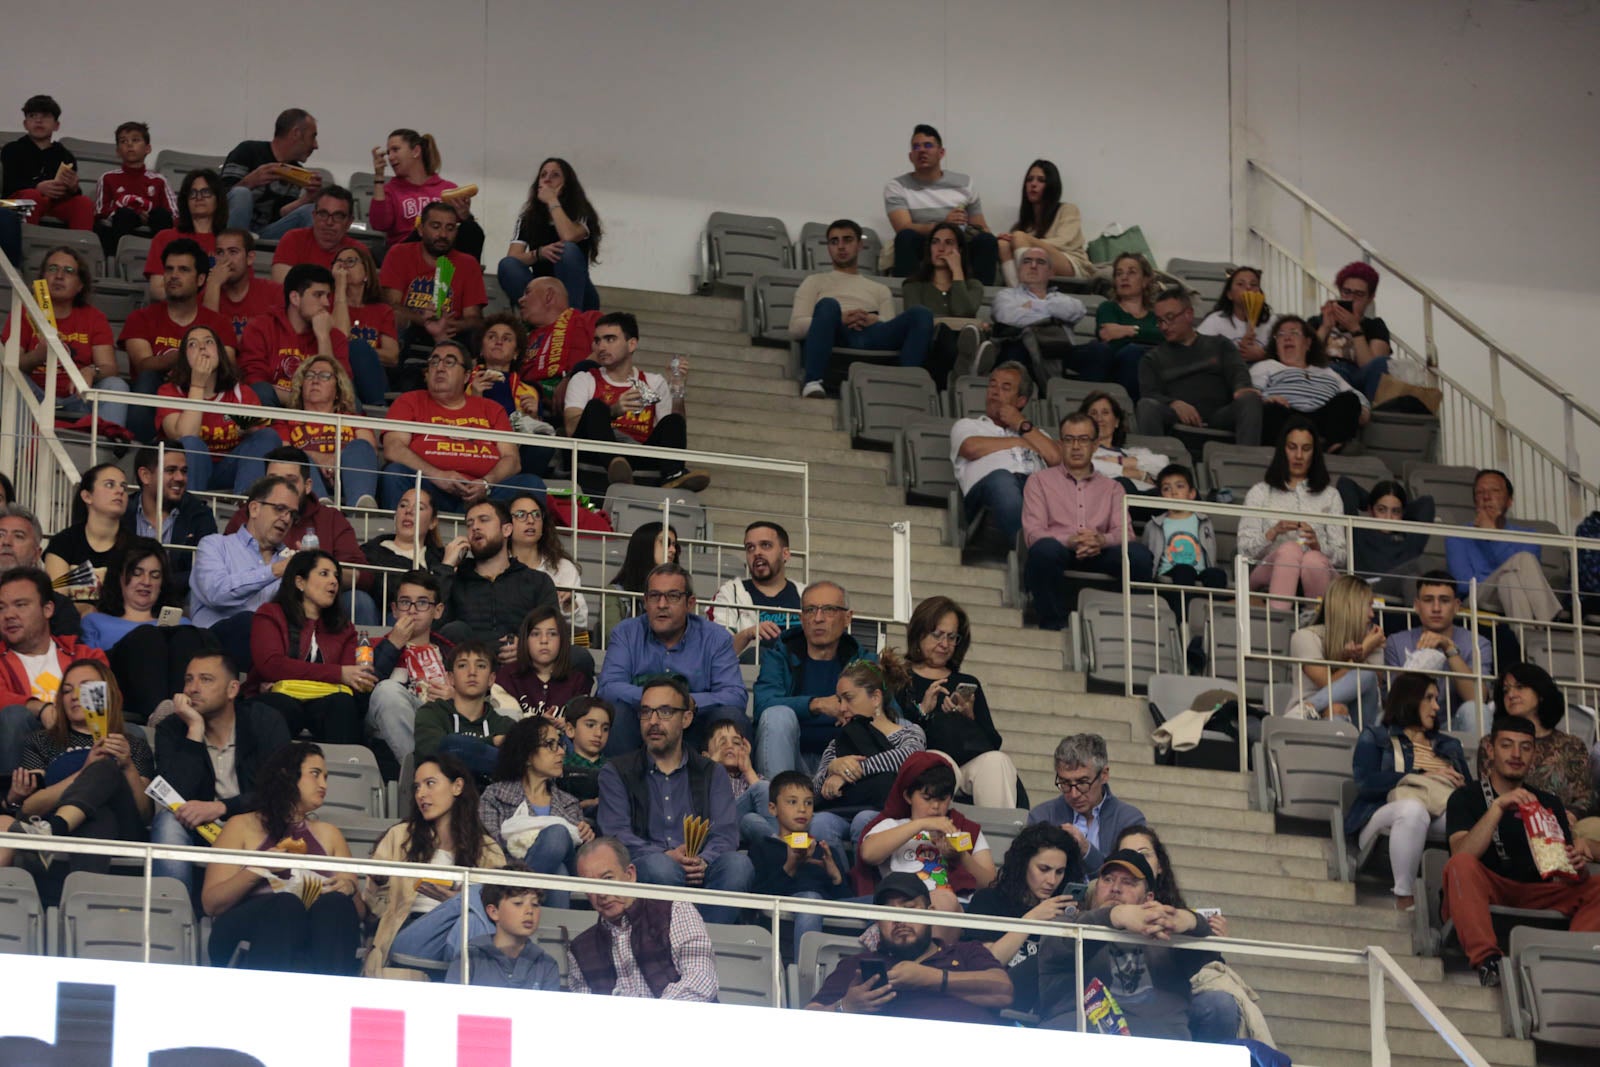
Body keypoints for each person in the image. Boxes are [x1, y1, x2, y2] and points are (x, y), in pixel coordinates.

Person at [1444, 716, 1600, 986]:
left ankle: (1572, 960)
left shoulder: (1548, 801)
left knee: (1596, 884)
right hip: (1487, 887)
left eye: (1525, 747)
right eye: (1507, 745)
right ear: (1491, 750)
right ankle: (1488, 961)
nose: (1516, 754)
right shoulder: (1465, 796)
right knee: (1460, 866)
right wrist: (1497, 807)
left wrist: (1576, 866)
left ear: (1534, 754)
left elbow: (1560, 872)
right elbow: (1461, 852)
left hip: (1536, 891)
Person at [595, 674, 755, 923]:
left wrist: (703, 861)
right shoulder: (616, 771)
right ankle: (673, 942)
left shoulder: (711, 772)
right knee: (661, 867)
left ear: (687, 718)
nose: (653, 721)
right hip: (648, 869)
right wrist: (665, 855)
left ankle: (706, 945)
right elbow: (617, 835)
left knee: (738, 865)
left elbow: (725, 833)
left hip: (702, 870)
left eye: (665, 712)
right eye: (646, 712)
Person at [201, 741, 363, 973]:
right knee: (287, 904)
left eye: (326, 777)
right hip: (248, 924)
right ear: (287, 775)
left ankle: (329, 998)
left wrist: (349, 888)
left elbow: (358, 914)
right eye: (315, 774)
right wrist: (258, 870)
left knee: (336, 903)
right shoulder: (241, 825)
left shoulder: (330, 834)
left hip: (315, 927)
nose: (323, 784)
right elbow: (212, 903)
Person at [1036, 848, 1230, 1041]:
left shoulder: (1167, 936)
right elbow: (1055, 947)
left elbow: (1209, 959)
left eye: (1128, 882)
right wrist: (1115, 915)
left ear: (1148, 898)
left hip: (1161, 1049)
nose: (1115, 888)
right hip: (1079, 1044)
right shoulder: (1069, 924)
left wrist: (1190, 921)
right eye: (1108, 879)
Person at [150, 649, 290, 894]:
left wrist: (223, 807)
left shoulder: (265, 722)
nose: (193, 688)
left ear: (232, 689)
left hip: (255, 826)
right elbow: (172, 797)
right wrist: (194, 729)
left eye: (205, 679)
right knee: (168, 820)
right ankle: (170, 910)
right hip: (198, 830)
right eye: (188, 679)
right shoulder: (172, 729)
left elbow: (282, 791)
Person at [2, 660, 154, 874]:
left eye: (85, 687)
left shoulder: (133, 743)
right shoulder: (41, 741)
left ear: (106, 693)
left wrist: (127, 765)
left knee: (107, 766)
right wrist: (86, 770)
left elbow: (145, 814)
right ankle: (84, 894)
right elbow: (30, 808)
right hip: (74, 835)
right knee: (98, 816)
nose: (74, 696)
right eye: (66, 690)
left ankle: (54, 829)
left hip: (124, 833)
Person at [364, 753, 506, 975]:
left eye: (430, 784)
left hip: (461, 933)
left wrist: (455, 903)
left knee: (470, 918)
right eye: (417, 787)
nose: (421, 794)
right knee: (475, 901)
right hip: (410, 931)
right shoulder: (400, 837)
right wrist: (380, 885)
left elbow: (502, 910)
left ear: (457, 786)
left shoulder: (487, 849)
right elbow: (374, 904)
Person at [806, 870, 1012, 1021]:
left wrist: (929, 978)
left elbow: (1003, 991)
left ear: (930, 913)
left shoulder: (965, 951)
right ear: (877, 922)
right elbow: (807, 1020)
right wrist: (846, 1006)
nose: (900, 920)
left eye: (909, 909)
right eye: (888, 913)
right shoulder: (858, 965)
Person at [1021, 412, 1155, 631]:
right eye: (1069, 439)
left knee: (1138, 556)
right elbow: (1033, 533)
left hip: (1099, 551)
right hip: (1059, 550)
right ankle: (1053, 624)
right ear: (1060, 444)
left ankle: (1130, 626)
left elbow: (1125, 533)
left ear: (1094, 446)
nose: (1075, 446)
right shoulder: (1039, 481)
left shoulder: (1113, 488)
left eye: (1083, 440)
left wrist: (1100, 540)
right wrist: (1070, 540)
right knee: (1043, 550)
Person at [1347, 673, 1471, 909]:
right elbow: (1366, 783)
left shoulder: (1449, 745)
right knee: (1414, 810)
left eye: (1438, 699)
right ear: (1410, 699)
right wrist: (1420, 775)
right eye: (1430, 698)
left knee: (1466, 820)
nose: (1437, 706)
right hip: (1385, 814)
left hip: (1439, 808)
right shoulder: (1377, 736)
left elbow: (1468, 791)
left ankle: (1463, 897)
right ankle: (1404, 896)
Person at [596, 563, 747, 755]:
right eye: (654, 596)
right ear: (645, 601)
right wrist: (658, 702)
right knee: (617, 712)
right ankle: (617, 783)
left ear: (690, 604)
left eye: (673, 596)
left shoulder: (715, 638)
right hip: (640, 723)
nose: (661, 604)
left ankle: (724, 785)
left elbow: (735, 695)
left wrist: (685, 703)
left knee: (731, 716)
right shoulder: (626, 633)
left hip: (694, 726)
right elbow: (608, 687)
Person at [380, 339, 546, 511]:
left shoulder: (491, 409)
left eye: (450, 362)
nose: (440, 367)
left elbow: (512, 459)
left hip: (485, 496)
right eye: (434, 362)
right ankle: (399, 537)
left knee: (532, 484)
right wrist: (438, 476)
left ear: (467, 376)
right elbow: (393, 448)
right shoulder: (409, 401)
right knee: (395, 473)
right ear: (427, 373)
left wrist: (486, 483)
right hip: (429, 489)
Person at [220, 447, 378, 624]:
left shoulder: (330, 518)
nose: (282, 489)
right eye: (273, 481)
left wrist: (320, 568)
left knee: (360, 601)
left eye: (291, 481)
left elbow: (364, 576)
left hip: (320, 607)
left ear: (308, 486)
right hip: (259, 601)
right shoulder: (249, 514)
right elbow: (225, 566)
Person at [893, 596, 1018, 809]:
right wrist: (923, 711)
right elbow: (893, 739)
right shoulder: (899, 679)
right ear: (919, 633)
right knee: (938, 761)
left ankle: (1000, 839)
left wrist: (970, 718)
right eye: (937, 635)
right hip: (927, 768)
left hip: (967, 767)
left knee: (998, 761)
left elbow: (992, 744)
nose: (945, 644)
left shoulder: (967, 683)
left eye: (952, 637)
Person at [563, 312, 709, 492]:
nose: (601, 346)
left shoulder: (654, 382)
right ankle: (614, 466)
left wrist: (677, 390)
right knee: (596, 407)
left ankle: (673, 475)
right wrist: (613, 411)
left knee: (674, 421)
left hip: (638, 455)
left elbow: (673, 431)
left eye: (610, 339)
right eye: (598, 340)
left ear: (631, 344)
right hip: (596, 456)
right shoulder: (584, 379)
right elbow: (571, 429)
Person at [790, 219, 934, 399]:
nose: (841, 247)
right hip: (835, 332)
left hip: (872, 333)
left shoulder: (880, 289)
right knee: (828, 304)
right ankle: (813, 382)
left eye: (847, 240)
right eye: (834, 242)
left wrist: (875, 319)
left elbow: (889, 325)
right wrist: (839, 319)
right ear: (828, 247)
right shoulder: (814, 281)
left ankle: (904, 384)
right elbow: (795, 328)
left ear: (860, 245)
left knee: (921, 314)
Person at [566, 836, 719, 1000]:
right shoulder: (580, 949)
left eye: (608, 879)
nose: (602, 893)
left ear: (630, 875)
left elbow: (701, 979)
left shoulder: (675, 911)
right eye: (591, 886)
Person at [80, 540, 216, 722]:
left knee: (188, 634)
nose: (146, 582)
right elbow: (88, 671)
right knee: (147, 636)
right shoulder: (95, 621)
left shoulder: (183, 624)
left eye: (155, 575)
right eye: (137, 574)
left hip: (179, 695)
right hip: (122, 691)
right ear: (120, 577)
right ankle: (160, 715)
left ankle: (178, 713)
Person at [247, 549, 372, 744]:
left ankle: (346, 770)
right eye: (324, 574)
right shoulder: (270, 614)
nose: (334, 581)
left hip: (325, 702)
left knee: (342, 704)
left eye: (336, 576)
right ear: (300, 582)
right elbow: (271, 665)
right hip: (279, 699)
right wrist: (338, 673)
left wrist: (345, 676)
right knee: (281, 705)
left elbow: (351, 678)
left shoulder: (345, 628)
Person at [123, 237, 239, 441]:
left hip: (205, 396)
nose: (173, 276)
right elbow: (143, 366)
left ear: (201, 279)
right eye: (169, 269)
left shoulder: (218, 324)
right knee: (148, 378)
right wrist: (188, 355)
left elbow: (226, 366)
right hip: (157, 397)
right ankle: (141, 450)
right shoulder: (140, 318)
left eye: (183, 270)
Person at [963, 823, 1085, 1016]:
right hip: (994, 1008)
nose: (1052, 880)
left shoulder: (1064, 911)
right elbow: (985, 963)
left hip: (1050, 1013)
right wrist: (1033, 917)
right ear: (1023, 864)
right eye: (1043, 869)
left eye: (1059, 872)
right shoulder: (989, 900)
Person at [752, 581, 868, 778]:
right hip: (791, 759)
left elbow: (887, 711)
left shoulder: (862, 661)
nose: (818, 618)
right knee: (776, 716)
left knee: (904, 725)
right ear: (801, 618)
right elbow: (763, 705)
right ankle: (778, 804)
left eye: (829, 610)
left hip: (844, 763)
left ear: (848, 617)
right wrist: (817, 705)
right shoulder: (780, 654)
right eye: (810, 610)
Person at [2, 247, 126, 430]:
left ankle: (104, 451)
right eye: (52, 269)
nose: (59, 276)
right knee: (5, 377)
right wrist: (38, 355)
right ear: (42, 277)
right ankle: (21, 451)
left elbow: (109, 367)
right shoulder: (24, 311)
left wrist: (92, 371)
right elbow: (10, 364)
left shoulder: (94, 317)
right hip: (33, 396)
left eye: (69, 271)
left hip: (78, 397)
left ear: (80, 286)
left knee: (116, 385)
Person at [855, 754, 996, 915]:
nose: (935, 806)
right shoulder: (891, 825)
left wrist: (961, 857)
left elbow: (990, 884)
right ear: (908, 796)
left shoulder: (963, 829)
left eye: (942, 799)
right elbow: (868, 854)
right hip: (903, 908)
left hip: (956, 908)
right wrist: (921, 824)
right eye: (927, 798)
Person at [0, 568, 108, 775]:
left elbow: (108, 700)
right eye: (1, 608)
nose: (8, 615)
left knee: (133, 732)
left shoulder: (85, 656)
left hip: (80, 741)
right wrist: (40, 709)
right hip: (25, 747)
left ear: (48, 609)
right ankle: (10, 803)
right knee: (14, 716)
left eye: (21, 605)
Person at [1474, 663, 1598, 836]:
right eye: (1506, 690)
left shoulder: (1571, 745)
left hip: (1566, 826)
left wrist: (1569, 816)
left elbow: (1585, 796)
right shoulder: (1492, 744)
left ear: (1540, 694)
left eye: (1520, 687)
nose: (1511, 695)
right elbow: (1490, 792)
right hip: (1512, 824)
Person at [480, 717, 591, 908]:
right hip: (507, 875)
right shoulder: (495, 796)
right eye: (550, 745)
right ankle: (555, 934)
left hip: (512, 892)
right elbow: (493, 853)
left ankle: (515, 898)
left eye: (560, 744)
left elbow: (580, 863)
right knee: (558, 871)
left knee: (558, 837)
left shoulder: (569, 804)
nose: (562, 752)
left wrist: (587, 836)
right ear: (527, 755)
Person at [188, 475, 299, 666]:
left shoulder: (291, 562)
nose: (287, 519)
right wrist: (275, 571)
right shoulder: (214, 545)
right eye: (280, 509)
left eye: (292, 514)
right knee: (251, 622)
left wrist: (310, 575)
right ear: (254, 508)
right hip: (211, 651)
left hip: (268, 653)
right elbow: (217, 593)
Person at [154, 323, 277, 494]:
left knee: (268, 435)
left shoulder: (241, 393)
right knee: (191, 443)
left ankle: (245, 506)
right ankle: (192, 510)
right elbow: (183, 436)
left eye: (209, 342)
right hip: (189, 469)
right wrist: (197, 385)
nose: (202, 347)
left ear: (219, 352)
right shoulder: (169, 391)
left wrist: (249, 429)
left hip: (230, 468)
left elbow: (262, 438)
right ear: (184, 358)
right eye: (193, 344)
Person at [1237, 418, 1346, 610]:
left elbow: (1341, 556)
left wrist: (1318, 546)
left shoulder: (1331, 496)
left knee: (1313, 559)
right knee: (1289, 550)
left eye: (1306, 449)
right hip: (1267, 573)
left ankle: (1316, 626)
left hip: (1317, 572)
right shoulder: (1260, 492)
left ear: (1315, 453)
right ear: (1282, 450)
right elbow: (1245, 551)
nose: (1298, 455)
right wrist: (1273, 532)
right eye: (1292, 447)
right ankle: (1277, 622)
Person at [239, 262, 379, 408]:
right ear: (295, 298)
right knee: (260, 391)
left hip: (319, 415)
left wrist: (323, 338)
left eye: (327, 296)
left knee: (354, 404)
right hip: (275, 409)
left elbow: (339, 389)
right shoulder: (260, 328)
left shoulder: (333, 336)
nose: (326, 303)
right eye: (318, 295)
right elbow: (254, 383)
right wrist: (303, 400)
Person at [814, 656, 928, 834]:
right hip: (843, 809)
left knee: (864, 820)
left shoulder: (909, 732)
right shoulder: (838, 742)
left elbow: (909, 759)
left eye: (848, 698)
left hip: (887, 813)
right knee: (819, 823)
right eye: (839, 700)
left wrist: (847, 773)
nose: (842, 708)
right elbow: (815, 790)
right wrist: (831, 768)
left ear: (875, 698)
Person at [1135, 288, 1264, 444]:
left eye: (1169, 318)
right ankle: (1154, 463)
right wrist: (1173, 403)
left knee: (1250, 399)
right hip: (1177, 418)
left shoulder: (1220, 344)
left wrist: (1241, 388)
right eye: (1160, 320)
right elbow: (1149, 394)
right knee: (1147, 407)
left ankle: (1247, 464)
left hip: (1219, 417)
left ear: (1189, 314)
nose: (1164, 327)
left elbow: (1238, 372)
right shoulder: (1152, 358)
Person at [951, 362, 1059, 545]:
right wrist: (1019, 442)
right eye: (992, 385)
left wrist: (1022, 425)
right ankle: (1031, 547)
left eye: (1005, 388)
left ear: (1021, 401)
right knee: (1002, 478)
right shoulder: (969, 425)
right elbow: (970, 448)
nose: (994, 391)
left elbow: (1056, 458)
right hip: (987, 493)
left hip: (1035, 492)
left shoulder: (1036, 434)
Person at [750, 770, 849, 956]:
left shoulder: (825, 850)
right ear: (773, 808)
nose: (802, 809)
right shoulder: (764, 846)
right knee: (810, 899)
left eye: (808, 803)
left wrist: (836, 876)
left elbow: (843, 900)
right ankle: (805, 978)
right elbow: (759, 898)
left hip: (828, 911)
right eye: (792, 802)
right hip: (792, 912)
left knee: (881, 905)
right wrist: (790, 866)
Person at [1446, 469, 1563, 623]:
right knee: (1521, 561)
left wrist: (1493, 534)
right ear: (1475, 501)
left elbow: (1530, 578)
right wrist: (1491, 535)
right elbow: (1463, 586)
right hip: (1476, 598)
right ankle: (1549, 623)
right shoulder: (1457, 536)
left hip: (1514, 594)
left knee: (1509, 581)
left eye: (1494, 491)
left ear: (1509, 501)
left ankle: (1527, 639)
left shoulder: (1528, 535)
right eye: (1480, 493)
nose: (1487, 497)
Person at [885, 125, 998, 284]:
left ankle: (980, 296)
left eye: (928, 145)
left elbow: (980, 226)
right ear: (911, 156)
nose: (922, 150)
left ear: (941, 153)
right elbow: (902, 226)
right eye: (916, 147)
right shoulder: (897, 186)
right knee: (906, 237)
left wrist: (997, 238)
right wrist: (943, 225)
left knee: (987, 241)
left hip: (960, 244)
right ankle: (907, 294)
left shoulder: (964, 183)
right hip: (923, 243)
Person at [440, 499, 559, 649]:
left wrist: (525, 649)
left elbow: (552, 632)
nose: (475, 527)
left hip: (519, 665)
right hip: (466, 663)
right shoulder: (455, 579)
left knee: (579, 657)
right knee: (455, 629)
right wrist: (446, 567)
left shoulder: (537, 581)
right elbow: (433, 623)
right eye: (469, 524)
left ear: (507, 530)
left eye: (484, 520)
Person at [1385, 572, 1494, 731]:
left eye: (1444, 601)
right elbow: (1394, 701)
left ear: (1457, 606)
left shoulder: (1478, 643)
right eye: (1428, 600)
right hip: (1410, 727)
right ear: (1416, 605)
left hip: (1453, 728)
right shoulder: (1396, 642)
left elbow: (1477, 698)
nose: (1436, 608)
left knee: (1475, 710)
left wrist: (1449, 649)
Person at [364, 569, 451, 764]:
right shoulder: (374, 646)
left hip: (439, 723)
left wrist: (455, 699)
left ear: (437, 611)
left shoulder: (451, 652)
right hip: (389, 720)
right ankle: (423, 771)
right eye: (405, 602)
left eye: (422, 603)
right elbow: (363, 692)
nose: (412, 610)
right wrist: (393, 645)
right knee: (387, 691)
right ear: (394, 610)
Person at [272, 354, 382, 508]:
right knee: (295, 456)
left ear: (338, 389)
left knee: (360, 446)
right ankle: (321, 505)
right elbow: (284, 453)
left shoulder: (353, 418)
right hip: (308, 477)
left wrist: (335, 460)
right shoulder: (286, 419)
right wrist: (319, 459)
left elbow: (369, 448)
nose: (315, 380)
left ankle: (361, 506)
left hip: (348, 474)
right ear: (301, 386)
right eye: (309, 375)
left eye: (324, 376)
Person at [379, 201, 487, 355]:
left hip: (451, 333)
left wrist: (451, 324)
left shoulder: (468, 264)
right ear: (421, 229)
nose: (443, 234)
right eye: (436, 227)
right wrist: (424, 319)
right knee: (394, 321)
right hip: (409, 328)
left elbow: (474, 318)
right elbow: (392, 305)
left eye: (450, 228)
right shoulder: (399, 254)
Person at [1027, 733, 1146, 871]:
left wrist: (1087, 851)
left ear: (1104, 775)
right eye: (1065, 783)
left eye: (1082, 783)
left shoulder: (1128, 820)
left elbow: (1128, 878)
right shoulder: (1042, 817)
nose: (1074, 794)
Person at [498, 156, 602, 312]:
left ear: (566, 185)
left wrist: (552, 200)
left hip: (578, 293)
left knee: (567, 249)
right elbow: (513, 258)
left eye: (555, 175)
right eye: (543, 175)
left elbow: (569, 236)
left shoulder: (581, 212)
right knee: (507, 265)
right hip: (543, 291)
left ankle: (569, 322)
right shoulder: (527, 217)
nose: (547, 180)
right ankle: (533, 319)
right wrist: (539, 254)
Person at [1251, 315, 1370, 449]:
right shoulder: (1266, 366)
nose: (1287, 337)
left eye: (1294, 333)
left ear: (1307, 343)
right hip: (1287, 417)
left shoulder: (1327, 372)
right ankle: (1292, 449)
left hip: (1322, 420)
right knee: (1272, 411)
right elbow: (1251, 395)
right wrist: (1267, 399)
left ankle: (1332, 447)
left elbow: (1355, 394)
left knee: (1349, 399)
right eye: (1280, 335)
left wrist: (1364, 408)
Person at [1283, 574, 1385, 724]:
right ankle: (1307, 710)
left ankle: (1307, 708)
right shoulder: (1305, 637)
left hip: (1360, 719)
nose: (1372, 614)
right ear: (1349, 606)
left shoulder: (1372, 640)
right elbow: (1327, 683)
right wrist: (1359, 656)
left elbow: (1373, 687)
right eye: (1368, 605)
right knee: (1336, 708)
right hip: (1310, 722)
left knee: (1367, 675)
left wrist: (1363, 651)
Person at [121, 445, 217, 603]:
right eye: (171, 470)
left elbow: (204, 571)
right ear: (145, 475)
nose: (180, 478)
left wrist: (158, 585)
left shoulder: (199, 515)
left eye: (184, 471)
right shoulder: (123, 512)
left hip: (177, 603)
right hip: (123, 601)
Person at [367, 129, 484, 255]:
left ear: (416, 151)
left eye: (395, 150)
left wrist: (465, 215)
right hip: (406, 252)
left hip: (443, 250)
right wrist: (379, 177)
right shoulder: (390, 190)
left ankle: (467, 272)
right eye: (388, 152)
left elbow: (464, 235)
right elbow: (379, 224)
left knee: (471, 229)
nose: (390, 157)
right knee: (422, 230)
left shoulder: (447, 189)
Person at [411, 641, 517, 778]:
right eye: (462, 665)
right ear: (450, 678)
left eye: (481, 666)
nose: (472, 672)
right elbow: (434, 754)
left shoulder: (505, 725)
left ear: (491, 679)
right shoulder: (431, 714)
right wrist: (493, 743)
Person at [901, 222, 988, 388]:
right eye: (935, 242)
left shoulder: (974, 286)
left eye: (948, 243)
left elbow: (962, 310)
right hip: (928, 350)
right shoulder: (912, 286)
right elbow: (918, 323)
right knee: (944, 334)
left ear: (959, 251)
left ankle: (965, 369)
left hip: (960, 342)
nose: (940, 248)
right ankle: (965, 369)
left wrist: (956, 271)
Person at [42, 462, 129, 615]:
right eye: (110, 485)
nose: (120, 491)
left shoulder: (136, 546)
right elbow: (57, 604)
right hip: (72, 629)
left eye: (124, 486)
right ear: (87, 496)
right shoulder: (63, 543)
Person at [219, 108, 321, 238]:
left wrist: (306, 199)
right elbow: (218, 199)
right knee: (241, 193)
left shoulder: (296, 172)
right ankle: (235, 249)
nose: (316, 145)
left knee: (309, 210)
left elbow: (281, 214)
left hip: (267, 232)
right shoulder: (247, 151)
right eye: (313, 137)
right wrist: (249, 182)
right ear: (296, 133)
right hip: (233, 231)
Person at [711, 520, 806, 659]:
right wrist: (748, 634)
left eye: (765, 545)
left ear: (785, 554)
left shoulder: (806, 594)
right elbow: (716, 651)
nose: (757, 553)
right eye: (750, 548)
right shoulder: (730, 593)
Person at [445, 879, 563, 989]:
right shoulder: (469, 958)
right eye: (518, 903)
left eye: (535, 904)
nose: (529, 911)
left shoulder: (547, 964)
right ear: (494, 912)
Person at [514, 277, 602, 423]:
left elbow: (610, 351)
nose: (520, 300)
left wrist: (573, 377)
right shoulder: (521, 336)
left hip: (580, 406)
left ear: (549, 296)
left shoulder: (587, 319)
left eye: (527, 293)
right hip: (530, 409)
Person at [991, 246, 1088, 379]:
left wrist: (1033, 306)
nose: (1033, 266)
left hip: (1060, 352)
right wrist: (1054, 317)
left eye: (1040, 262)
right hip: (1023, 351)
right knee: (1014, 349)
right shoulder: (1006, 295)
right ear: (1019, 270)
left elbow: (1078, 310)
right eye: (1027, 261)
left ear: (1050, 272)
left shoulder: (1061, 298)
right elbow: (1006, 317)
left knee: (1099, 351)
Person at [1, 95, 92, 229]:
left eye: (45, 116)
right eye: (32, 116)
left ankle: (79, 248)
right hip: (8, 204)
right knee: (33, 195)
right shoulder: (12, 149)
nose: (39, 121)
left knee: (84, 203)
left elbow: (69, 195)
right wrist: (37, 187)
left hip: (51, 204)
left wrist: (73, 188)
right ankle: (22, 245)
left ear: (56, 125)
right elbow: (9, 185)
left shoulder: (65, 156)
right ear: (25, 124)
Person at [505, 494, 588, 642]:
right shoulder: (497, 563)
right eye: (521, 515)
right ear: (506, 524)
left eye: (536, 515)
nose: (531, 521)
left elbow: (581, 625)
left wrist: (569, 605)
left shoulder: (564, 568)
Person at [1083, 252, 1165, 400]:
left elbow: (1165, 337)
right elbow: (1109, 337)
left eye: (1132, 272)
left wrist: (1128, 331)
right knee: (1131, 353)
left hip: (1153, 375)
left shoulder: (1157, 315)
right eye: (1119, 273)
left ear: (1145, 280)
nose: (1124, 277)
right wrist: (1148, 336)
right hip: (1115, 373)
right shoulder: (1108, 308)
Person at [1308, 261, 1393, 399]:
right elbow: (1304, 357)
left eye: (1359, 294)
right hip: (1322, 372)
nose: (1351, 298)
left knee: (1382, 362)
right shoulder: (1317, 321)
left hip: (1356, 377)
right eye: (1346, 292)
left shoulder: (1375, 326)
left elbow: (1373, 369)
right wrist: (1325, 327)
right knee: (1331, 370)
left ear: (1370, 298)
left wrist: (1355, 329)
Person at [998, 159, 1090, 283]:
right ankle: (1016, 291)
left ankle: (1026, 289)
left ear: (1052, 185)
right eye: (1030, 179)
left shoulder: (1068, 210)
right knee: (1003, 244)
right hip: (1041, 262)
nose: (1033, 184)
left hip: (1071, 264)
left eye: (1041, 180)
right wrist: (1013, 240)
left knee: (1019, 236)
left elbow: (1063, 241)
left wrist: (1026, 240)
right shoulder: (1023, 225)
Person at [495, 606, 592, 719]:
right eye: (536, 634)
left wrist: (568, 726)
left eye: (552, 634)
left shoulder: (577, 680)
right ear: (525, 640)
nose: (544, 640)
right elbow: (504, 724)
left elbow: (582, 724)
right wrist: (539, 723)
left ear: (562, 640)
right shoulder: (507, 676)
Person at [1144, 464, 1229, 593]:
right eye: (1167, 488)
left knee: (1217, 574)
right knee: (1184, 570)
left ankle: (1210, 611)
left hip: (1200, 573)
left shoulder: (1204, 521)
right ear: (1161, 496)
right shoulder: (1154, 524)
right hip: (1168, 576)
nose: (1174, 492)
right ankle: (1182, 613)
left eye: (1180, 486)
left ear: (1191, 493)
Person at [0, 507, 83, 638]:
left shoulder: (58, 606)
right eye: (0, 535)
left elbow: (69, 652)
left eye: (18, 536)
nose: (6, 542)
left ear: (36, 554)